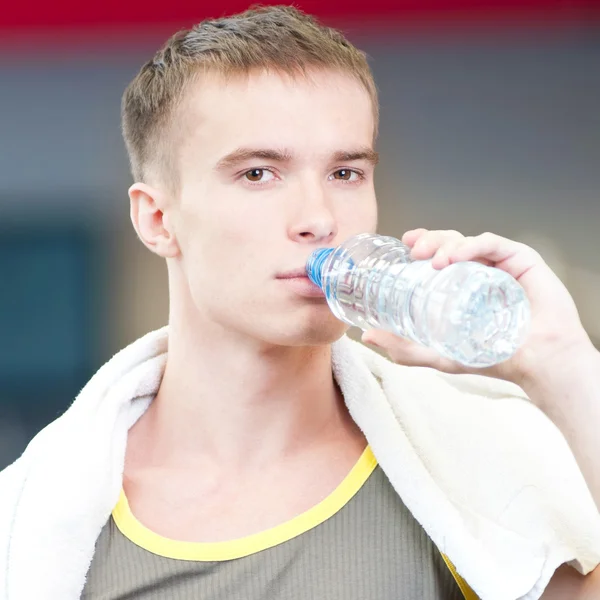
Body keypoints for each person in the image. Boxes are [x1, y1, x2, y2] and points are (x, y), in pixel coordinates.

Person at [1, 5, 599, 600]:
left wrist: (564, 366)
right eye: (259, 174)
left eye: (345, 173)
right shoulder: (32, 528)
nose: (319, 219)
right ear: (157, 219)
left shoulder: (475, 459)